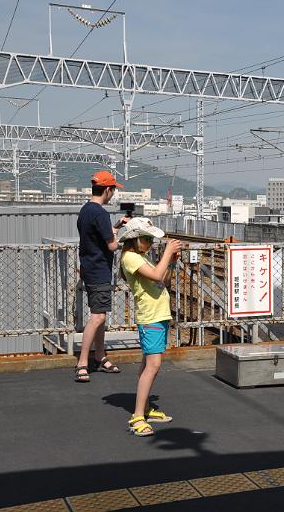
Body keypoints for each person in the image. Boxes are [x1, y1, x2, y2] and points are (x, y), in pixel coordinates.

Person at [117, 217, 181, 437]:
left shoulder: (141, 257)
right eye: (147, 238)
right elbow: (156, 275)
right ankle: (137, 416)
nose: (150, 242)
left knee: (148, 365)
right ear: (134, 239)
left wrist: (170, 261)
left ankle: (143, 409)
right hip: (150, 317)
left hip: (158, 315)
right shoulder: (130, 258)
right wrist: (166, 253)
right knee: (153, 365)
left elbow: (162, 280)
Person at [75, 171, 128, 383]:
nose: (113, 194)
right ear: (107, 190)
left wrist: (115, 227)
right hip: (99, 270)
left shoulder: (86, 210)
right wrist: (127, 237)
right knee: (98, 317)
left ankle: (99, 356)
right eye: (113, 189)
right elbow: (112, 245)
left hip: (89, 267)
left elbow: (97, 236)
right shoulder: (100, 213)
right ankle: (82, 363)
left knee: (100, 315)